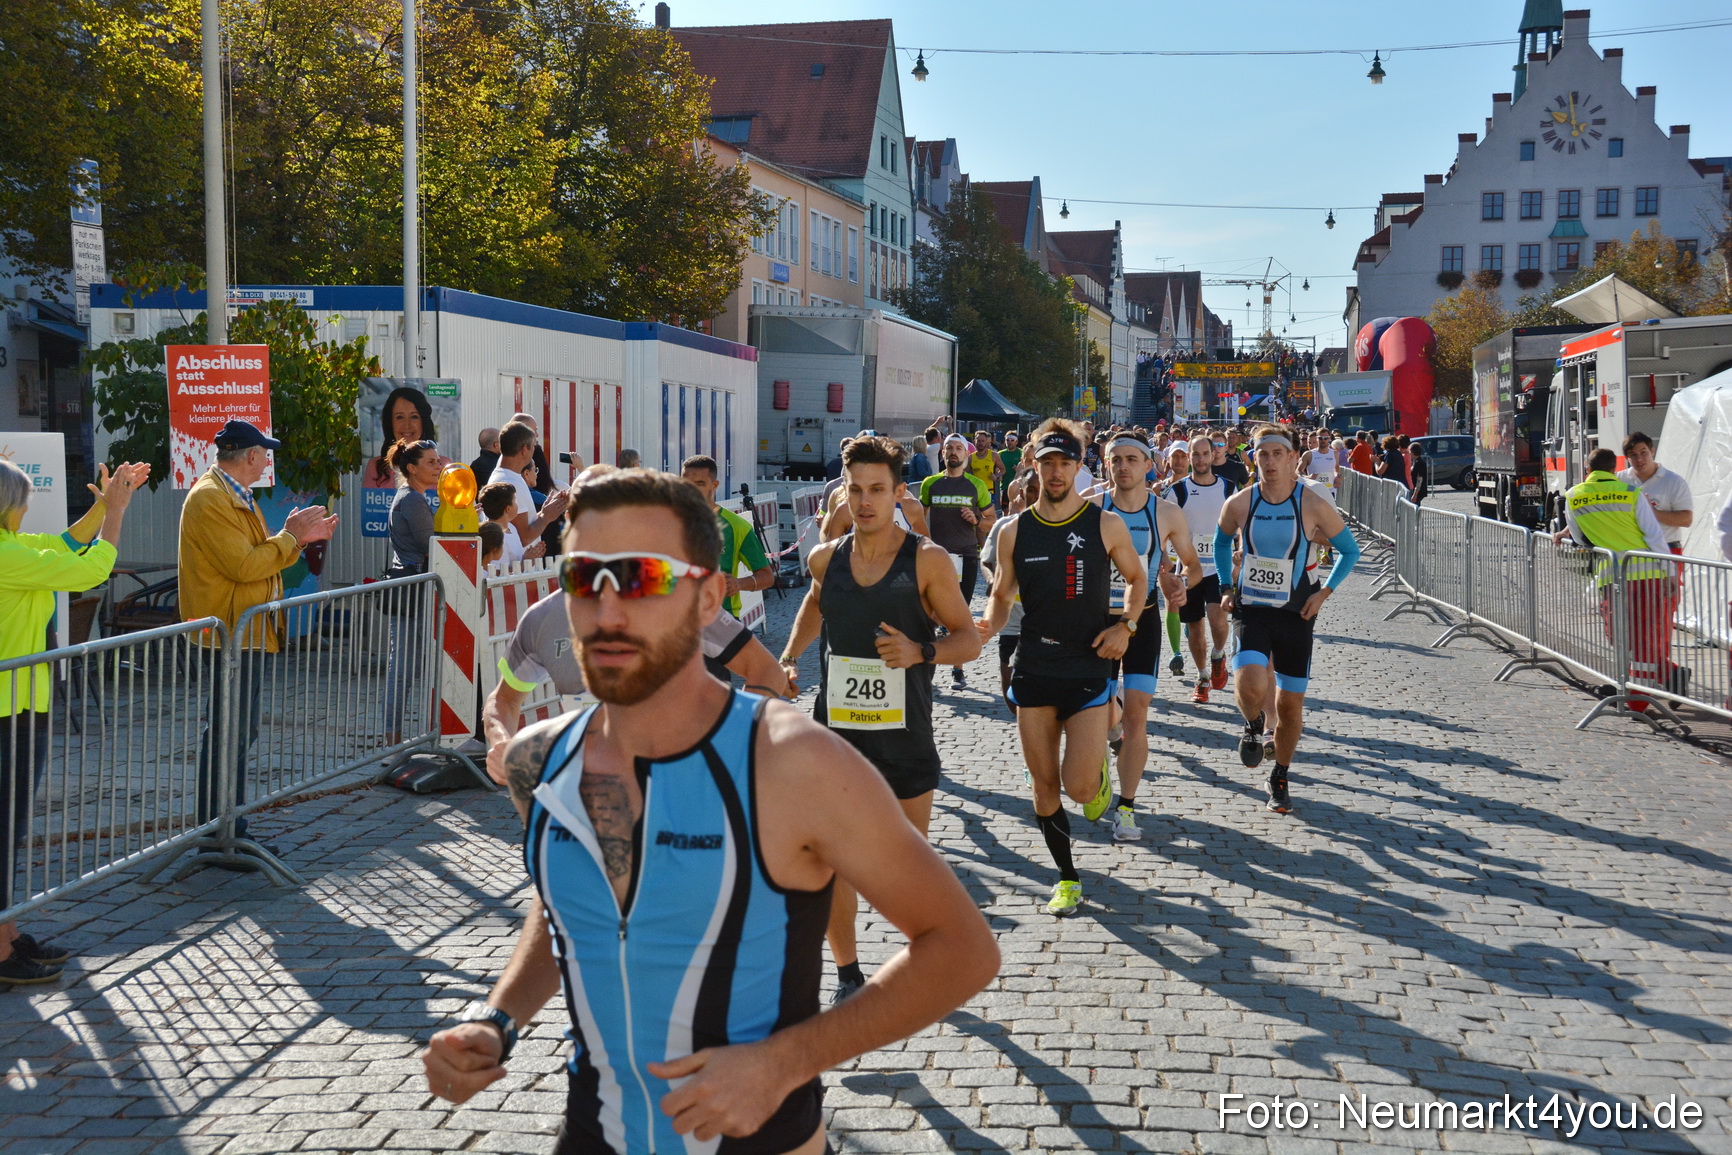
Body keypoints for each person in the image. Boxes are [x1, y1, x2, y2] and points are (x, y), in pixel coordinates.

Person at [426, 470, 998, 1154]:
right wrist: (498, 1019)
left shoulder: (792, 762)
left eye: (639, 578)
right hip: (594, 1135)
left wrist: (782, 1063)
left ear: (706, 599)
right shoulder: (537, 761)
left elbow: (963, 948)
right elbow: (572, 905)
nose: (608, 611)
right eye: (584, 578)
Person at [778, 436, 980, 1004]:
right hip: (836, 738)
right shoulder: (826, 557)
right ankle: (847, 976)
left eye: (878, 490)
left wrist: (924, 653)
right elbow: (815, 603)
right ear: (844, 492)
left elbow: (968, 639)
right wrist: (789, 659)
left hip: (905, 737)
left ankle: (925, 957)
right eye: (856, 490)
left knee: (904, 868)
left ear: (898, 493)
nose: (866, 502)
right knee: (833, 861)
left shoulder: (928, 560)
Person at [976, 420, 1148, 917]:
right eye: (1046, 462)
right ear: (1033, 463)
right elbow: (1002, 595)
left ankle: (1099, 761)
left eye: (1064, 463)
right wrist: (986, 626)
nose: (1054, 472)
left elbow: (1137, 580)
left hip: (1089, 665)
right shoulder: (1013, 530)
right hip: (1035, 666)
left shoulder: (1104, 524)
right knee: (1043, 783)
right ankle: (1067, 877)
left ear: (1078, 466)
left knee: (1077, 787)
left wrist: (1128, 627)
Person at [1, 458, 147, 985]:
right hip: (7, 711)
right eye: (20, 502)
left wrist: (104, 504)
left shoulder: (13, 550)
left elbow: (60, 546)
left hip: (20, 705)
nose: (24, 510)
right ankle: (0, 951)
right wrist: (116, 515)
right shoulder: (5, 555)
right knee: (4, 827)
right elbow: (89, 569)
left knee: (9, 827)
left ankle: (7, 934)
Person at [179, 420, 337, 862]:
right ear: (249, 456)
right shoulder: (212, 497)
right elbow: (245, 565)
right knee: (229, 730)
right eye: (264, 453)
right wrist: (292, 537)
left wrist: (296, 541)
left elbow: (256, 559)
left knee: (237, 730)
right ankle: (219, 829)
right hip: (228, 633)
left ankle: (227, 824)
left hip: (241, 631)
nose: (268, 460)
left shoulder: (229, 493)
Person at [482, 589, 790, 786]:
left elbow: (767, 671)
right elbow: (504, 700)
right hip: (586, 795)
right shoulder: (543, 617)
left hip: (682, 794)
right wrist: (502, 743)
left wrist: (725, 750)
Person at [1214, 425, 1361, 814]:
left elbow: (1349, 550)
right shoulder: (1241, 503)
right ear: (1254, 459)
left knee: (1291, 706)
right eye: (1264, 454)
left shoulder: (1312, 503)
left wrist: (1324, 592)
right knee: (1249, 681)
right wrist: (1226, 587)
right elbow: (1220, 540)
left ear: (1294, 458)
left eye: (1279, 453)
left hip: (1297, 612)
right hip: (1252, 608)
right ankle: (1252, 724)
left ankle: (1279, 773)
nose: (1271, 461)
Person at [1092, 433, 1200, 843]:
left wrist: (1181, 585)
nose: (1123, 467)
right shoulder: (1091, 507)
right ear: (1106, 464)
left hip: (1144, 622)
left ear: (1147, 465)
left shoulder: (1166, 513)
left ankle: (1126, 808)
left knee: (1138, 715)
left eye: (1132, 459)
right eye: (1115, 459)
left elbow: (1191, 564)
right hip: (1098, 623)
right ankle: (1110, 735)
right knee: (1101, 715)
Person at [1556, 447, 1678, 708]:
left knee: (1621, 638)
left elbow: (1580, 539)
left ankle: (1634, 694)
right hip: (1649, 574)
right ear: (1615, 469)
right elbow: (1653, 536)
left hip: (1612, 577)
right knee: (1647, 638)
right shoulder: (1631, 493)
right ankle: (1639, 700)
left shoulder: (1573, 496)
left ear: (1587, 470)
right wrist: (1670, 573)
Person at [919, 435, 996, 688]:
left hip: (966, 556)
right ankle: (926, 671)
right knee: (926, 612)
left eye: (958, 449)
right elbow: (919, 518)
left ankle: (958, 670)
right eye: (949, 448)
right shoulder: (930, 484)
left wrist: (976, 520)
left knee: (960, 614)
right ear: (942, 454)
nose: (953, 452)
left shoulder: (976, 485)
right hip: (936, 559)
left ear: (966, 455)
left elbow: (991, 521)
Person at [383, 438, 444, 746]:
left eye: (438, 460)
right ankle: (392, 738)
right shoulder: (412, 500)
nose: (439, 466)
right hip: (412, 591)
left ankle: (394, 736)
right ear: (412, 468)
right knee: (403, 666)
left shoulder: (413, 497)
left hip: (412, 588)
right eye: (431, 462)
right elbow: (429, 546)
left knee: (404, 665)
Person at [1170, 434, 1238, 704]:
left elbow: (1241, 521)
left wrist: (1240, 549)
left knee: (1218, 617)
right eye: (1194, 454)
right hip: (1188, 569)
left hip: (1219, 566)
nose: (1200, 459)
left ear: (1213, 456)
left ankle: (1219, 654)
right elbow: (1164, 526)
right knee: (1195, 627)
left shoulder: (1228, 488)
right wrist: (1165, 559)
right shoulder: (1177, 491)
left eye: (1204, 454)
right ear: (1189, 457)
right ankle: (1202, 677)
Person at [681, 455, 774, 620]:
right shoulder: (667, 522)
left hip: (721, 618)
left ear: (714, 485)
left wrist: (738, 584)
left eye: (700, 484)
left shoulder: (736, 526)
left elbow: (766, 576)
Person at [981, 473, 1039, 712]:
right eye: (1032, 489)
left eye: (1043, 488)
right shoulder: (1004, 525)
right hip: (1011, 616)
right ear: (1022, 492)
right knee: (1009, 682)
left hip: (1045, 617)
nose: (1038, 495)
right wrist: (994, 580)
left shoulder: (1065, 527)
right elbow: (985, 561)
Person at [489, 422, 568, 555]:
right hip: (515, 568)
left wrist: (545, 511)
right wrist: (546, 516)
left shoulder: (508, 475)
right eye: (533, 446)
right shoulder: (511, 482)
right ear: (524, 449)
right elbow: (523, 537)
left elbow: (519, 526)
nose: (534, 450)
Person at [1619, 432, 1694, 555]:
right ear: (1627, 458)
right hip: (1631, 551)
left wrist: (1650, 512)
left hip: (1668, 549)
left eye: (1644, 452)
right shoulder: (1620, 480)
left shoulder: (1673, 481)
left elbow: (1686, 520)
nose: (1640, 459)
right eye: (1633, 455)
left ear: (1652, 451)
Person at [364, 385, 439, 488]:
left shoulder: (442, 466)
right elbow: (369, 503)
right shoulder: (376, 467)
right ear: (391, 423)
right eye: (399, 417)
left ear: (423, 422)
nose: (407, 425)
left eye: (414, 417)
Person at [478, 482, 545, 565]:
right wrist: (525, 563)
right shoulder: (494, 537)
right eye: (515, 500)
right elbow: (495, 571)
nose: (517, 504)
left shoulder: (511, 527)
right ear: (508, 509)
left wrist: (530, 556)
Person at [1409, 440, 1431, 506]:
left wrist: (1415, 494)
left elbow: (1419, 479)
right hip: (1417, 490)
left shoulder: (1419, 463)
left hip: (1419, 491)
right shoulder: (1416, 461)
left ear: (1413, 452)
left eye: (1410, 451)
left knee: (1415, 506)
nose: (1409, 453)